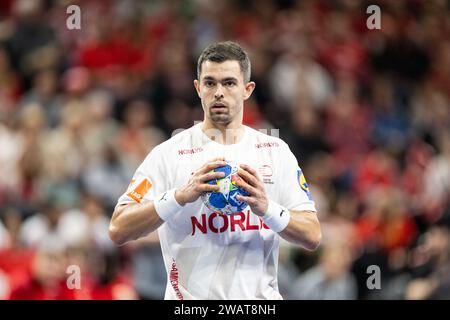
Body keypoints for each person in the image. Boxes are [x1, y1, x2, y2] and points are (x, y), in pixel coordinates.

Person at [109, 41, 321, 300]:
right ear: (198, 88)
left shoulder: (274, 151)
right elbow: (118, 228)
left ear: (247, 89)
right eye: (210, 83)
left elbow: (312, 234)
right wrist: (178, 197)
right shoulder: (167, 154)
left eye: (229, 83)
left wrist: (266, 208)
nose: (219, 92)